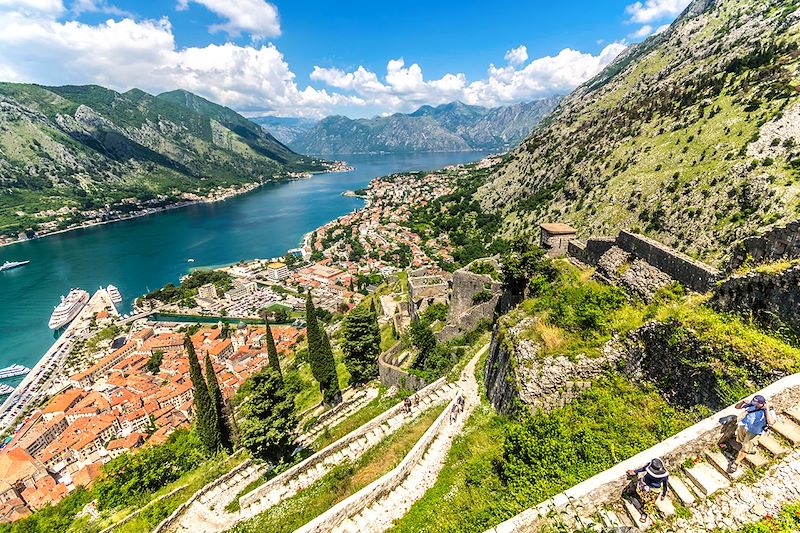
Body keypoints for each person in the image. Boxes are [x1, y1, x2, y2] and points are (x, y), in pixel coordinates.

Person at [729, 394, 776, 473]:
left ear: (762, 403)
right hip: (744, 426)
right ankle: (750, 449)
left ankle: (736, 463)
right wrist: (742, 402)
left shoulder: (769, 411)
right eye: (754, 401)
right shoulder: (751, 404)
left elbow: (771, 422)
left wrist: (766, 409)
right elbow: (737, 407)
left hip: (754, 432)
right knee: (740, 440)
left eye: (757, 403)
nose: (755, 404)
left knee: (746, 447)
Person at [625, 458, 669, 523]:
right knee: (639, 492)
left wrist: (663, 494)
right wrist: (635, 471)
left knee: (649, 503)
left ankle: (644, 514)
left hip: (654, 489)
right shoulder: (650, 466)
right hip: (644, 483)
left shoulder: (664, 476)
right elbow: (643, 469)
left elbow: (665, 485)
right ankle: (637, 497)